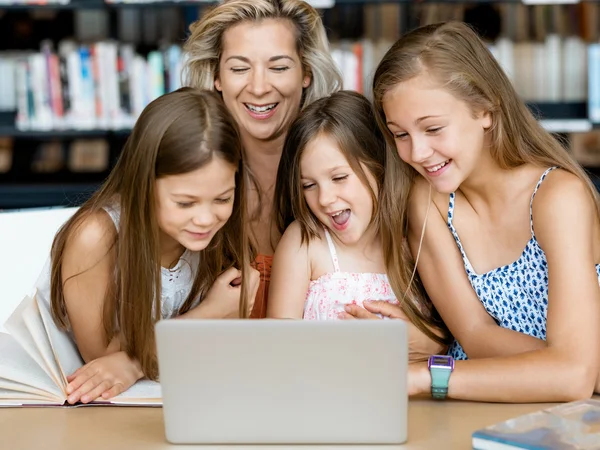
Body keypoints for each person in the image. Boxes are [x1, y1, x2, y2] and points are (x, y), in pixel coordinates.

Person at [361, 21, 600, 402]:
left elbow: (572, 379)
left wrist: (428, 375)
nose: (417, 153)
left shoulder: (557, 197)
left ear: (486, 110)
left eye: (433, 129)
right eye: (400, 134)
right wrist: (566, 367)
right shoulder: (428, 202)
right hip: (481, 404)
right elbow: (474, 334)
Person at [35, 88, 259, 404]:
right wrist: (211, 312)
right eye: (185, 203)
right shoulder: (96, 237)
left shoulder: (222, 235)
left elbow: (216, 347)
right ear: (143, 183)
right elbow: (105, 368)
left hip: (181, 400)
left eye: (223, 198)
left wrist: (134, 361)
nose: (206, 219)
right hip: (95, 409)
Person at [183, 0, 342, 317]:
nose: (258, 88)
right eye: (240, 69)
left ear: (306, 73)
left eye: (279, 67)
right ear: (217, 77)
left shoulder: (343, 180)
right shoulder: (186, 178)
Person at [267, 91, 446, 361]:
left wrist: (432, 343)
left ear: (378, 168)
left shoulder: (413, 240)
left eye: (339, 177)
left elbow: (451, 336)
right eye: (309, 185)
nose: (325, 199)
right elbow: (276, 348)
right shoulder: (305, 241)